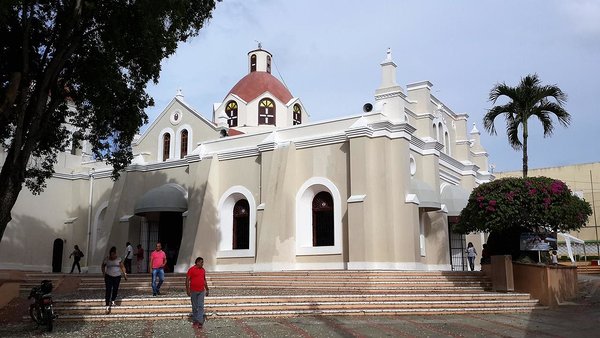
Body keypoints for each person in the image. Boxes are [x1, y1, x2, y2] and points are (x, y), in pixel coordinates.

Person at [101, 246, 127, 313]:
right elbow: (103, 266)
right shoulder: (106, 259)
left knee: (115, 289)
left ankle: (113, 300)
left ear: (115, 253)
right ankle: (107, 306)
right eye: (111, 254)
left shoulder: (118, 259)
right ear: (110, 254)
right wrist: (103, 273)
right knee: (108, 290)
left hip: (117, 276)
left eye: (113, 254)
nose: (112, 256)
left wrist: (125, 274)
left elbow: (122, 267)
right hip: (108, 276)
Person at [186, 257, 209, 328]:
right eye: (201, 262)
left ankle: (200, 321)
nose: (202, 264)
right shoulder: (191, 270)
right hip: (193, 291)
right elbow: (187, 280)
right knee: (195, 306)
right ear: (197, 262)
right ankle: (195, 320)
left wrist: (207, 289)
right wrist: (187, 290)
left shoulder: (203, 270)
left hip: (201, 291)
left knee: (201, 306)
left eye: (203, 262)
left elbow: (204, 280)